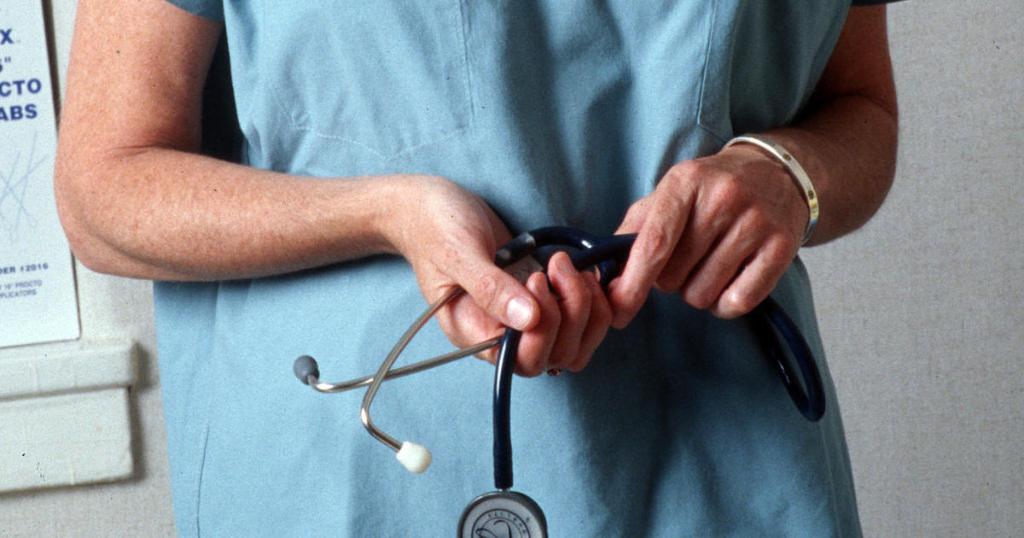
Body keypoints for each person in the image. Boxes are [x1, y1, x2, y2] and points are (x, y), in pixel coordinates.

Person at [55, 0, 900, 535]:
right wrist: (383, 213)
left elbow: (861, 110)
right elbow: (103, 187)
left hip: (730, 474)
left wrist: (787, 174)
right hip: (354, 483)